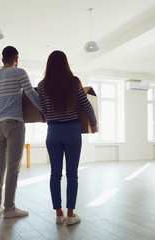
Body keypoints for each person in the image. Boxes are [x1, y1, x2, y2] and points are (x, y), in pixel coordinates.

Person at [37, 50, 97, 226]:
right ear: (66, 64)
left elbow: (44, 111)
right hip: (72, 130)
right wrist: (94, 125)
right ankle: (71, 215)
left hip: (53, 131)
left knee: (55, 175)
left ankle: (58, 213)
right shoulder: (74, 82)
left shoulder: (42, 85)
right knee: (72, 175)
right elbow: (86, 105)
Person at [0, 46, 42, 218]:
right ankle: (9, 208)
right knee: (13, 167)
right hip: (14, 124)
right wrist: (45, 111)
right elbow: (31, 94)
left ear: (2, 60)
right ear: (17, 58)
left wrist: (0, 105)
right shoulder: (19, 72)